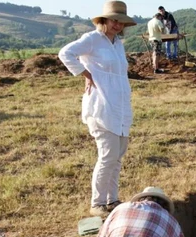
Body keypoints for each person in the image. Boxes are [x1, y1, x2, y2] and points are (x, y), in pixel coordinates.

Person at [58, 1, 137, 217]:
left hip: (119, 106)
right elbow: (65, 53)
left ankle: (113, 200)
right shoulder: (92, 39)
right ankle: (98, 203)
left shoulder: (117, 43)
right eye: (114, 20)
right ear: (104, 20)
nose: (117, 25)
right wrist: (86, 74)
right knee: (108, 155)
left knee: (118, 155)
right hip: (101, 106)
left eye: (121, 22)